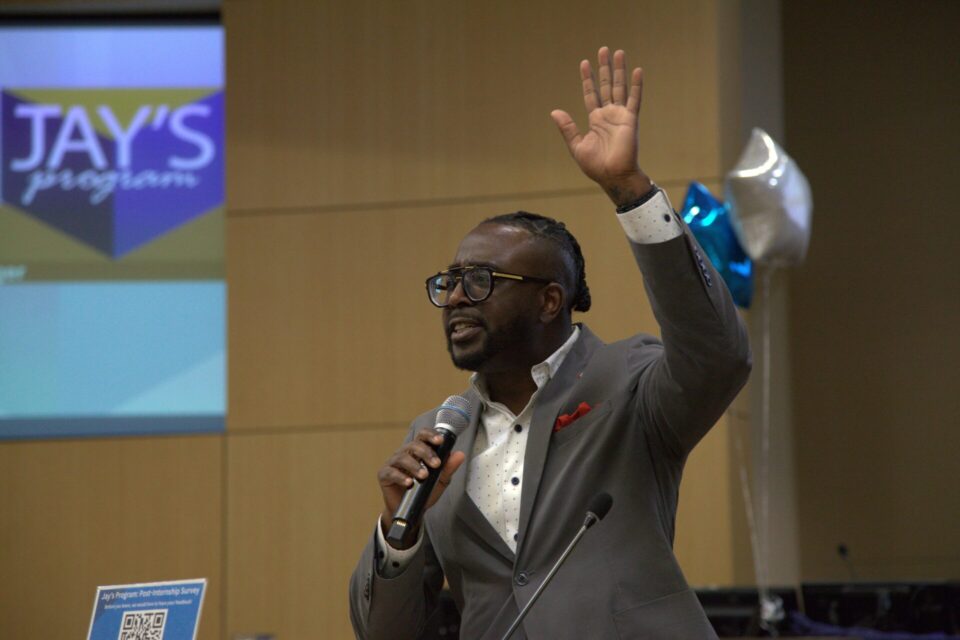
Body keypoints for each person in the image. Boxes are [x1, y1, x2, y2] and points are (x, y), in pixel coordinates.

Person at [349, 46, 751, 639]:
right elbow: (387, 634)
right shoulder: (437, 437)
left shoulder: (629, 383)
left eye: (480, 280)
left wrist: (630, 191)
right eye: (449, 282)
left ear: (549, 300)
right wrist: (397, 532)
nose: (456, 297)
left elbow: (718, 354)